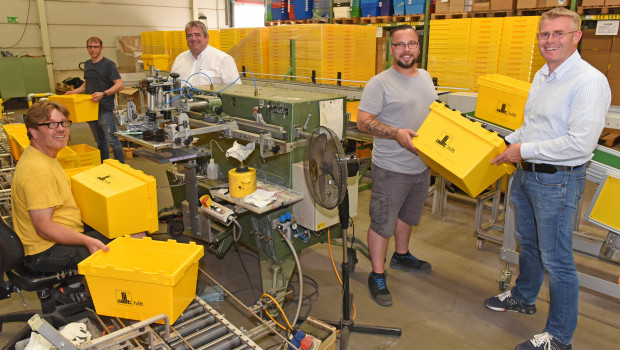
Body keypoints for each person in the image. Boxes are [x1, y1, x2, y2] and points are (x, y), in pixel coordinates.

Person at [485, 8, 611, 350]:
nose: (550, 40)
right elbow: (534, 125)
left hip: (559, 181)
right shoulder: (543, 74)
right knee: (529, 243)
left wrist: (521, 150)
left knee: (557, 259)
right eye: (544, 34)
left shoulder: (588, 81)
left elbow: (579, 143)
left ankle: (559, 336)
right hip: (527, 176)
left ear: (577, 36)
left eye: (559, 33)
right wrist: (505, 142)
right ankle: (525, 296)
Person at [356, 25, 438, 307]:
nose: (406, 50)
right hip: (391, 167)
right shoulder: (379, 83)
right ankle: (377, 274)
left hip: (421, 164)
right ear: (391, 49)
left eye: (411, 44)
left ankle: (401, 255)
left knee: (408, 216)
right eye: (400, 45)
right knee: (382, 222)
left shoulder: (426, 77)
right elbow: (363, 121)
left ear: (418, 47)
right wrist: (396, 133)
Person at [11, 100, 111, 274]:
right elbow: (44, 227)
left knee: (119, 227)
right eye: (51, 124)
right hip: (46, 251)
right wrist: (87, 241)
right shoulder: (38, 170)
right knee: (132, 239)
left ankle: (75, 288)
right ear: (34, 131)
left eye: (64, 123)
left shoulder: (43, 155)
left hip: (54, 240)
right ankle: (76, 292)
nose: (61, 129)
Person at [66, 37, 125, 164]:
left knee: (113, 141)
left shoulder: (109, 65)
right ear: (87, 48)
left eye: (95, 47)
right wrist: (74, 92)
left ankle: (122, 167)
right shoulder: (87, 64)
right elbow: (87, 83)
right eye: (90, 47)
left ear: (101, 48)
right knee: (100, 141)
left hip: (105, 109)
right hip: (90, 109)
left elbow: (119, 84)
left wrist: (103, 94)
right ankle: (105, 165)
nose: (93, 49)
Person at [171, 20, 240, 86]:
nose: (193, 39)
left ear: (207, 37)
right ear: (186, 38)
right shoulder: (179, 59)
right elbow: (171, 85)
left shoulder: (223, 59)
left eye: (197, 35)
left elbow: (236, 90)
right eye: (189, 36)